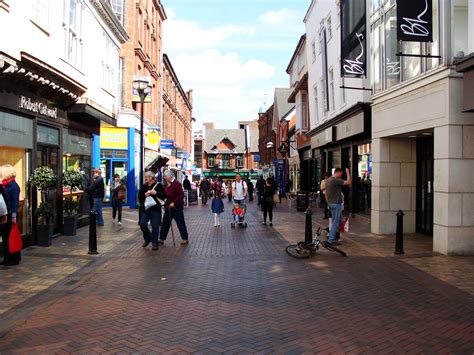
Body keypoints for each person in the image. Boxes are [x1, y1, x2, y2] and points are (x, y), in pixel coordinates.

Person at [138, 171, 167, 250]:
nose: (145, 178)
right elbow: (139, 196)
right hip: (145, 209)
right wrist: (144, 195)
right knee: (143, 224)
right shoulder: (144, 186)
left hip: (155, 209)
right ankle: (148, 238)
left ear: (151, 177)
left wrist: (156, 193)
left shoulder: (159, 185)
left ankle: (155, 243)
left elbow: (164, 195)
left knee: (155, 226)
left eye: (147, 177)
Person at [159, 170, 189, 245]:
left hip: (177, 207)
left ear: (170, 176)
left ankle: (185, 238)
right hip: (168, 207)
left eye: (165, 176)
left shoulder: (176, 184)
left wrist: (174, 203)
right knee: (165, 223)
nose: (164, 178)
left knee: (180, 223)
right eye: (164, 176)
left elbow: (181, 195)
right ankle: (162, 238)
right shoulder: (166, 185)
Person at [0, 164, 21, 266]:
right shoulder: (4, 184)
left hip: (10, 215)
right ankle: (8, 257)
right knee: (6, 236)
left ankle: (13, 258)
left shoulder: (13, 186)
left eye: (2, 172)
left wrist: (14, 216)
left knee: (10, 237)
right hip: (5, 214)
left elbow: (15, 202)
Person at [324, 168, 351, 246]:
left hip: (331, 203)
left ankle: (330, 234)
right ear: (338, 172)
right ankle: (331, 239)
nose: (341, 176)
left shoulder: (328, 180)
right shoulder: (334, 180)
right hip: (336, 204)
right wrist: (348, 173)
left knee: (337, 221)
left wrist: (328, 202)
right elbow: (349, 182)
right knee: (336, 222)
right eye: (341, 174)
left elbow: (325, 193)